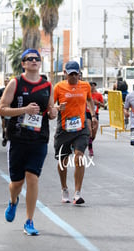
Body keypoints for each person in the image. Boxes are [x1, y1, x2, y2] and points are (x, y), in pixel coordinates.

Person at [0, 49, 56, 236]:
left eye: (36, 59)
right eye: (29, 59)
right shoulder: (16, 83)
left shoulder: (48, 85)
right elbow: (2, 110)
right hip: (18, 138)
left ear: (40, 63)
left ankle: (29, 221)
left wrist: (54, 112)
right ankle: (13, 200)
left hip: (39, 139)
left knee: (32, 178)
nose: (33, 61)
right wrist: (24, 110)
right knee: (17, 183)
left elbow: (51, 111)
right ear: (23, 63)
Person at [54, 61, 97, 204]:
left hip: (81, 127)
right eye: (70, 73)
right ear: (65, 73)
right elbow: (51, 106)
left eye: (75, 74)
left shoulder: (85, 86)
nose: (73, 76)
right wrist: (58, 107)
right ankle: (64, 188)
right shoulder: (58, 87)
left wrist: (93, 115)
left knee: (79, 157)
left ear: (79, 73)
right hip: (64, 127)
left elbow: (90, 100)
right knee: (63, 161)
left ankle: (77, 193)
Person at [86, 82, 104, 156]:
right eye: (91, 86)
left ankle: (89, 142)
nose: (92, 87)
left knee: (94, 133)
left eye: (94, 86)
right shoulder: (86, 94)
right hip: (87, 114)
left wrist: (98, 103)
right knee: (89, 130)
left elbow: (103, 105)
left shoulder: (99, 95)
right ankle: (90, 149)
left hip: (95, 114)